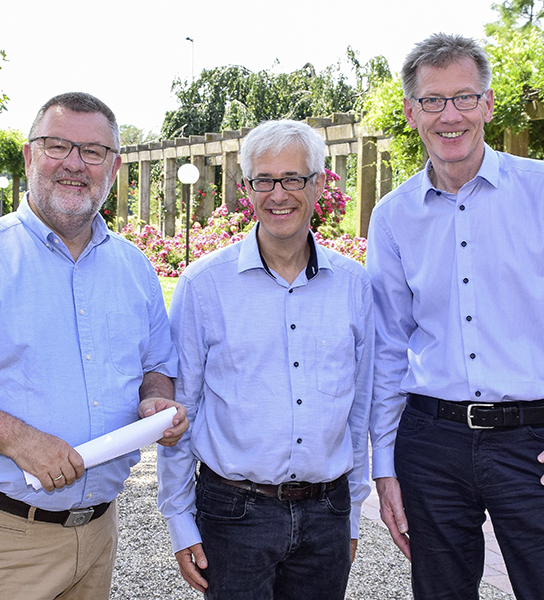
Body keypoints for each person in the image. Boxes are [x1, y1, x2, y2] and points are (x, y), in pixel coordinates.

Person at [366, 33, 544, 600]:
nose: (449, 115)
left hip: (536, 447)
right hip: (429, 445)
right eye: (432, 100)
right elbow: (385, 346)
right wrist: (385, 466)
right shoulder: (393, 216)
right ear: (411, 112)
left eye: (464, 98)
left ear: (488, 104)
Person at [0, 92, 186, 600]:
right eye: (57, 146)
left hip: (98, 533)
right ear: (29, 156)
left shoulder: (133, 268)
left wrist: (154, 400)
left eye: (93, 152)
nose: (75, 164)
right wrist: (20, 441)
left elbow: (156, 366)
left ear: (113, 168)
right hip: (3, 536)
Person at [157, 119, 374, 600]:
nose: (279, 194)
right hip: (233, 514)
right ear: (247, 188)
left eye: (293, 178)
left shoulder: (354, 286)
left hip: (327, 514)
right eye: (264, 180)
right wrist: (178, 518)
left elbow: (359, 410)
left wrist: (354, 509)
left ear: (318, 184)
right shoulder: (203, 285)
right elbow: (180, 408)